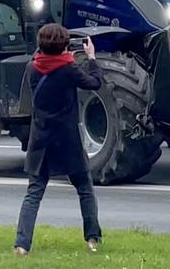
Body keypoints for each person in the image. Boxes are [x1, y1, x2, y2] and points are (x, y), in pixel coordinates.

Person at [14, 24, 103, 256]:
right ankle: (92, 239)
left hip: (41, 139)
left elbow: (42, 61)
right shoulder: (69, 70)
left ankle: (22, 245)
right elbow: (95, 83)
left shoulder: (31, 68)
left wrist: (64, 57)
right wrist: (91, 58)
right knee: (84, 187)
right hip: (67, 140)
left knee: (34, 192)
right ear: (64, 45)